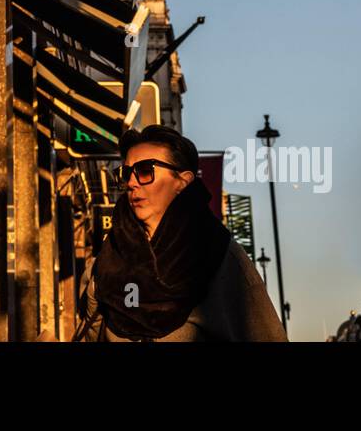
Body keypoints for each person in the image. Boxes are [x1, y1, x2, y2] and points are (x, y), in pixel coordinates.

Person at [77, 125, 286, 342]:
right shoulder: (108, 260)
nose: (131, 183)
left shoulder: (218, 257)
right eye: (127, 173)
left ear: (182, 181)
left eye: (145, 171)